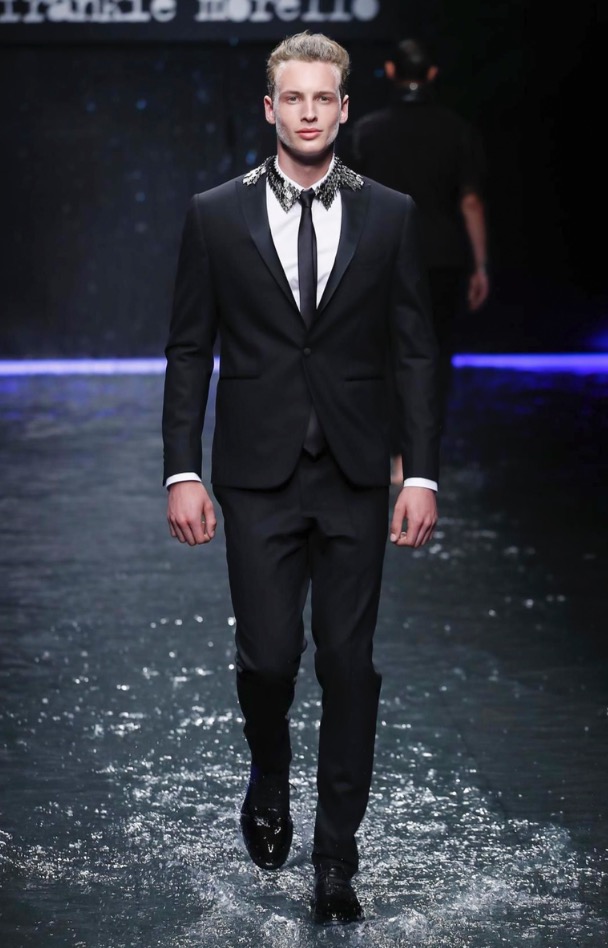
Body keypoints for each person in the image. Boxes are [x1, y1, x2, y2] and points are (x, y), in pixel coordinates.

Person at [161, 31, 440, 925]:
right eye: (295, 97)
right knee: (271, 658)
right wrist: (181, 468)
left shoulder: (390, 214)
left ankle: (335, 861)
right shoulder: (215, 213)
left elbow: (414, 351)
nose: (309, 112)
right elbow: (189, 347)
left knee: (350, 666)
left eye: (324, 98)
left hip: (356, 472)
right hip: (256, 474)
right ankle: (270, 770)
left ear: (345, 108)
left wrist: (422, 475)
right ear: (271, 108)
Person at [350, 37, 490, 484]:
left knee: (389, 355)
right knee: (433, 356)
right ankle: (422, 455)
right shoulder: (456, 130)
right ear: (432, 74)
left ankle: (396, 455)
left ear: (391, 72)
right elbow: (470, 201)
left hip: (384, 257)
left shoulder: (368, 131)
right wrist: (481, 265)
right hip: (442, 258)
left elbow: (352, 203)